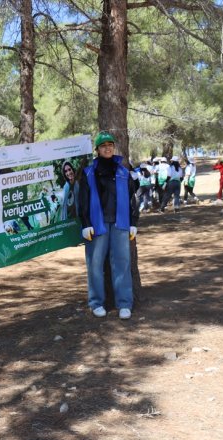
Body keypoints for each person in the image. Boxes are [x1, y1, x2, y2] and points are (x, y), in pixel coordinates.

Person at [78, 131, 138, 320]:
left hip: (120, 223)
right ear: (97, 149)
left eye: (110, 145)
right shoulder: (88, 172)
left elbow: (132, 200)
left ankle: (124, 303)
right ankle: (96, 302)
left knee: (122, 263)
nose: (107, 148)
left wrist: (134, 222)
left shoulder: (123, 172)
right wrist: (85, 223)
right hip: (97, 224)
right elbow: (83, 200)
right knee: (95, 264)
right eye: (103, 146)